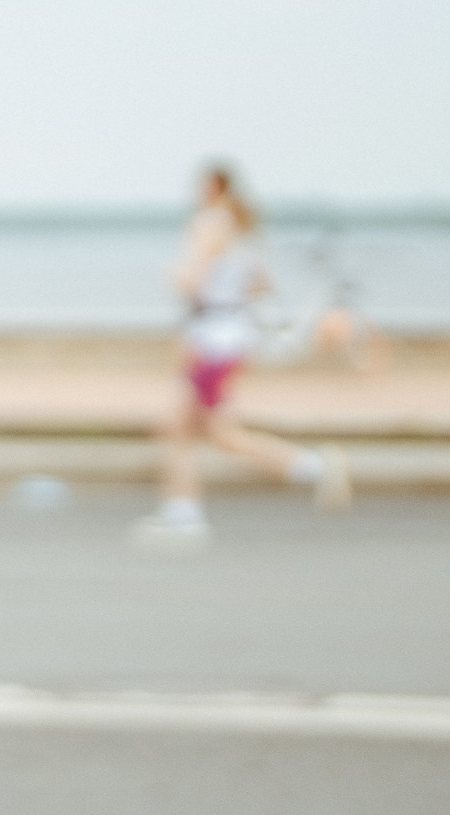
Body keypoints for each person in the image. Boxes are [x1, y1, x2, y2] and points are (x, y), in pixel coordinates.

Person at [133, 163, 351, 550]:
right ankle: (313, 467)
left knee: (177, 426)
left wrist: (178, 275)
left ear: (213, 187)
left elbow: (193, 279)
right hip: (228, 336)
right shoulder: (241, 230)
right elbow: (261, 283)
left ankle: (184, 515)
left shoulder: (212, 222)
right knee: (219, 433)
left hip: (212, 340)